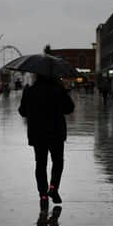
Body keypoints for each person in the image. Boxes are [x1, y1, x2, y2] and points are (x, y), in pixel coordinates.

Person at [19, 74, 75, 211]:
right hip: (56, 133)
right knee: (58, 161)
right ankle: (53, 187)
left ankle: (43, 195)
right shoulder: (58, 90)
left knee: (40, 164)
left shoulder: (29, 90)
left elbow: (22, 111)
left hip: (37, 134)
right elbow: (69, 108)